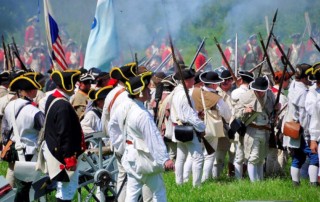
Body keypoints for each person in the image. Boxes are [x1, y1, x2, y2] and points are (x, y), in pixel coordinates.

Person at [112, 71, 174, 201]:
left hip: (130, 155)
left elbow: (113, 127)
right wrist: (165, 159)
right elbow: (153, 138)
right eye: (146, 88)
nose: (149, 91)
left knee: (132, 195)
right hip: (143, 158)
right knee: (159, 191)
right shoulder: (142, 114)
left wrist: (120, 146)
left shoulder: (125, 107)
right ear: (139, 92)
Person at [40, 69, 86, 201]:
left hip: (56, 151)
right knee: (67, 190)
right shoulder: (63, 105)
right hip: (63, 155)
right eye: (74, 83)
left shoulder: (53, 97)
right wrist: (69, 158)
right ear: (69, 84)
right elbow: (64, 133)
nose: (76, 87)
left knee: (62, 188)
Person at [2, 72, 44, 202]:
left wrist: (6, 144)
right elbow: (44, 130)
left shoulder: (10, 106)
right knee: (24, 186)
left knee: (13, 176)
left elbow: (5, 129)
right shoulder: (34, 111)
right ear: (30, 91)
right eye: (34, 89)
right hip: (28, 150)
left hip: (13, 147)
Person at [282, 63, 319, 186]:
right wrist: (309, 136)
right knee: (314, 157)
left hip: (293, 126)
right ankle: (313, 184)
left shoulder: (293, 85)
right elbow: (304, 116)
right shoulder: (303, 92)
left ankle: (295, 183)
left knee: (298, 157)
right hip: (301, 129)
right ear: (304, 77)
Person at [191, 71, 231, 181]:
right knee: (209, 155)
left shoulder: (193, 92)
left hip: (195, 126)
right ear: (213, 84)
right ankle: (204, 180)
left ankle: (189, 180)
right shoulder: (216, 98)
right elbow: (227, 114)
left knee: (196, 155)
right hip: (210, 128)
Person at [170, 68, 205, 187]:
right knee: (198, 158)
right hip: (187, 128)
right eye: (192, 79)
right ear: (186, 81)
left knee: (180, 158)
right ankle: (197, 186)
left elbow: (184, 112)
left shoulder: (176, 92)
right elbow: (189, 116)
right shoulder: (185, 95)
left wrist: (196, 113)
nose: (194, 81)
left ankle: (179, 184)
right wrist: (202, 126)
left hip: (179, 127)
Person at [238, 76, 276, 182]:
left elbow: (273, 112)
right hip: (252, 130)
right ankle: (254, 183)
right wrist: (245, 111)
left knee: (261, 159)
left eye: (261, 91)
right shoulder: (246, 96)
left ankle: (260, 181)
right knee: (253, 157)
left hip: (266, 130)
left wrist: (276, 108)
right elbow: (237, 112)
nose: (259, 93)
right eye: (258, 91)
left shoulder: (270, 95)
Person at [266, 71, 292, 176]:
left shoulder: (271, 92)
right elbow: (283, 116)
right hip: (277, 127)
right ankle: (277, 174)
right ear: (283, 81)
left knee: (272, 153)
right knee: (280, 152)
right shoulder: (281, 97)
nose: (289, 83)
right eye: (288, 80)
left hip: (271, 126)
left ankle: (271, 174)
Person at [231, 70, 254, 179]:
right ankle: (239, 178)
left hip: (239, 125)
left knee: (240, 154)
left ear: (241, 80)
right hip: (242, 125)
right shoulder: (247, 93)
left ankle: (239, 177)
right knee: (242, 155)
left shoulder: (236, 92)